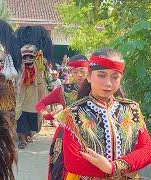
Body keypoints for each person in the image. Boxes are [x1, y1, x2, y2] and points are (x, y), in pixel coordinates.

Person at [57, 48, 151, 179]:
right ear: (89, 77)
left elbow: (147, 149)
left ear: (120, 78)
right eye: (101, 75)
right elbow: (73, 162)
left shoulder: (131, 109)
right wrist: (112, 171)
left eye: (115, 77)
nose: (108, 83)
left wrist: (114, 167)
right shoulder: (73, 113)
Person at [36, 54, 89, 180]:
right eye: (75, 71)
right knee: (61, 170)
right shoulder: (64, 90)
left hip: (92, 136)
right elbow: (40, 105)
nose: (79, 75)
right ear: (70, 72)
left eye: (82, 71)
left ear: (89, 70)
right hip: (67, 135)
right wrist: (48, 116)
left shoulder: (97, 89)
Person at [15, 25, 52, 149]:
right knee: (20, 115)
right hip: (21, 94)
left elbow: (42, 77)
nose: (28, 59)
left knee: (33, 115)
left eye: (31, 56)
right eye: (25, 56)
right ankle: (21, 138)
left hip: (34, 94)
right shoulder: (19, 66)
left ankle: (28, 134)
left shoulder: (39, 64)